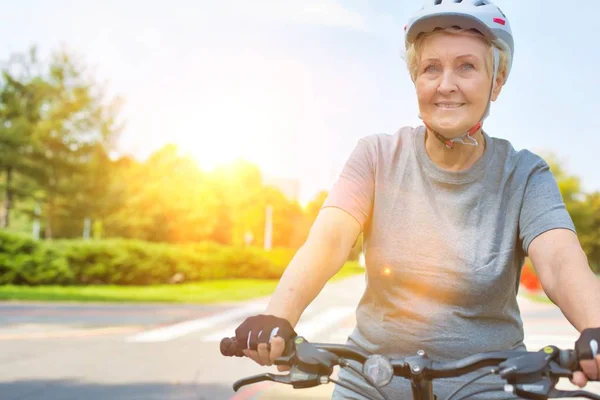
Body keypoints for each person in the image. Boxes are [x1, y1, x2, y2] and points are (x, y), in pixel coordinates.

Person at [229, 0, 600, 398]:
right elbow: (328, 241)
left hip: (489, 382)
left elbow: (560, 264)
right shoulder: (375, 156)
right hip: (371, 378)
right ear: (416, 80)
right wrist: (277, 316)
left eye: (467, 66)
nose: (446, 84)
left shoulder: (525, 174)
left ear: (497, 80)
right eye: (431, 68)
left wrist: (595, 329)